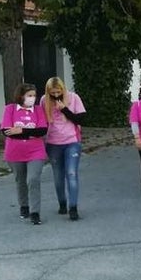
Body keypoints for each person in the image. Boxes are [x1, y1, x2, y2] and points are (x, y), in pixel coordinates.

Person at [1, 83, 48, 224]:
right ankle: (24, 205)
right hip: (15, 152)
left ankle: (35, 212)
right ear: (21, 96)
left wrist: (22, 131)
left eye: (34, 95)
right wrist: (30, 133)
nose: (32, 98)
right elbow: (7, 131)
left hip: (35, 151)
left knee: (33, 179)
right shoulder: (10, 109)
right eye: (29, 95)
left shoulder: (38, 110)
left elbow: (41, 131)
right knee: (20, 180)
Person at [42, 77, 86, 221]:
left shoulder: (73, 98)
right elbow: (41, 122)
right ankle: (62, 202)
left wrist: (65, 110)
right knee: (58, 176)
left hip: (72, 141)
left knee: (71, 173)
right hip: (53, 142)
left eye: (58, 91)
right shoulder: (44, 100)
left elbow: (81, 119)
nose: (55, 95)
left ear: (63, 89)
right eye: (52, 92)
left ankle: (73, 207)